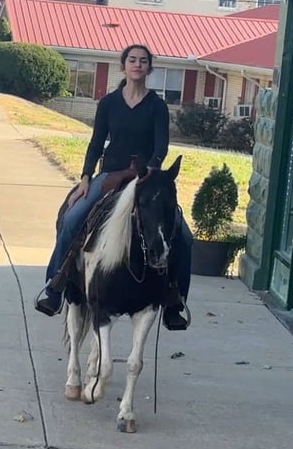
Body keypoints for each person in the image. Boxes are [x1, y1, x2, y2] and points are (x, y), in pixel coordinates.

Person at [34, 44, 192, 329]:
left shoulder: (157, 106)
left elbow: (161, 146)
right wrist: (86, 177)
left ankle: (174, 301)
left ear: (149, 68)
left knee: (184, 236)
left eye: (143, 61)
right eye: (132, 60)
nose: (137, 64)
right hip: (110, 175)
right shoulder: (108, 103)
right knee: (71, 220)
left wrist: (150, 170)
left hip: (145, 178)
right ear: (123, 66)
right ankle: (55, 287)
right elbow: (96, 143)